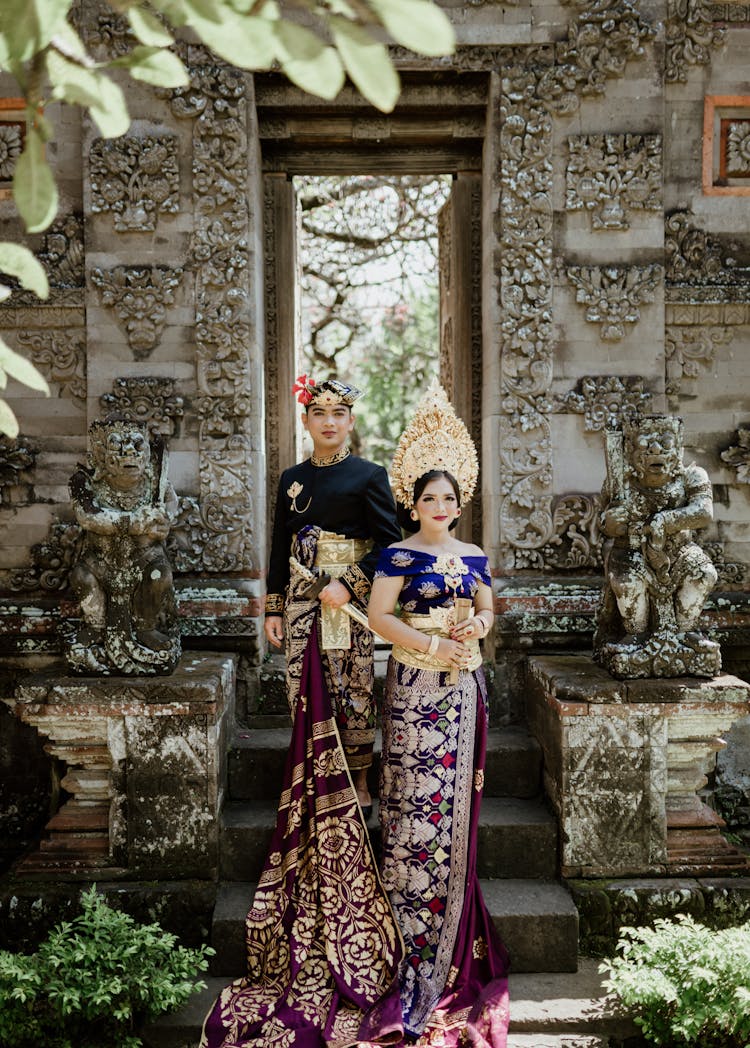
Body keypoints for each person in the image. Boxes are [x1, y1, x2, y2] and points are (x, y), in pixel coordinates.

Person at [368, 380, 510, 1046]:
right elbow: (377, 615)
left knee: (453, 809)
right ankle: (403, 933)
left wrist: (474, 625)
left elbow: (486, 609)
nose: (440, 507)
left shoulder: (474, 555)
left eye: (450, 499)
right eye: (429, 498)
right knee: (410, 803)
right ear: (413, 501)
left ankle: (449, 936)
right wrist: (430, 643)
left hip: (463, 692)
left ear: (460, 503)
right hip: (415, 687)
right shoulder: (399, 555)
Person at [264, 375, 402, 815]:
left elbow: (388, 545)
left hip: (347, 603)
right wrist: (273, 606)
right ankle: (316, 776)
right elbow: (278, 547)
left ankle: (360, 777)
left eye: (337, 414)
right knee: (303, 687)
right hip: (302, 600)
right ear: (306, 421)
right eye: (319, 413)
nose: (329, 422)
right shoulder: (292, 479)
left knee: (352, 686)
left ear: (350, 422)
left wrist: (350, 584)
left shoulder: (370, 476)